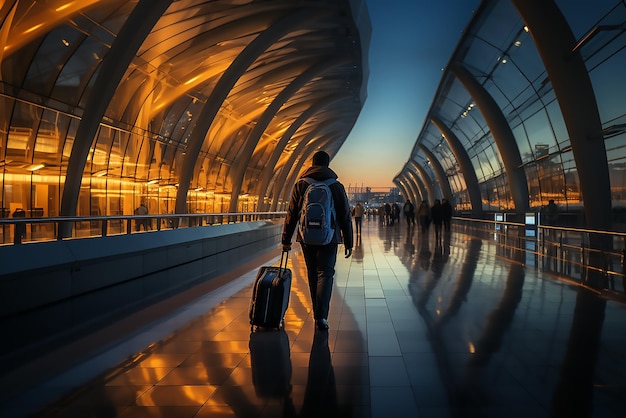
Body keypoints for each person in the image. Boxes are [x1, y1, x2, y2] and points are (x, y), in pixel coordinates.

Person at [282, 151, 353, 330]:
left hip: (306, 237)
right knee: (326, 274)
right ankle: (321, 316)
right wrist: (349, 241)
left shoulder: (301, 185)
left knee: (313, 273)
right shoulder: (336, 186)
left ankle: (316, 313)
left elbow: (291, 214)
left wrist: (286, 240)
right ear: (328, 165)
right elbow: (345, 215)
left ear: (312, 164)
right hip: (330, 237)